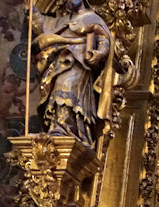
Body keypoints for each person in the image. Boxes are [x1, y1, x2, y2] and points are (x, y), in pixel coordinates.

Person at [32, 0, 112, 149]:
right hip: (60, 61)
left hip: (79, 63)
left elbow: (104, 39)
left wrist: (99, 53)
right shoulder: (62, 20)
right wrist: (30, 8)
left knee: (67, 85)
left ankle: (68, 128)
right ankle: (59, 127)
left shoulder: (92, 17)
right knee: (56, 91)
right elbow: (42, 24)